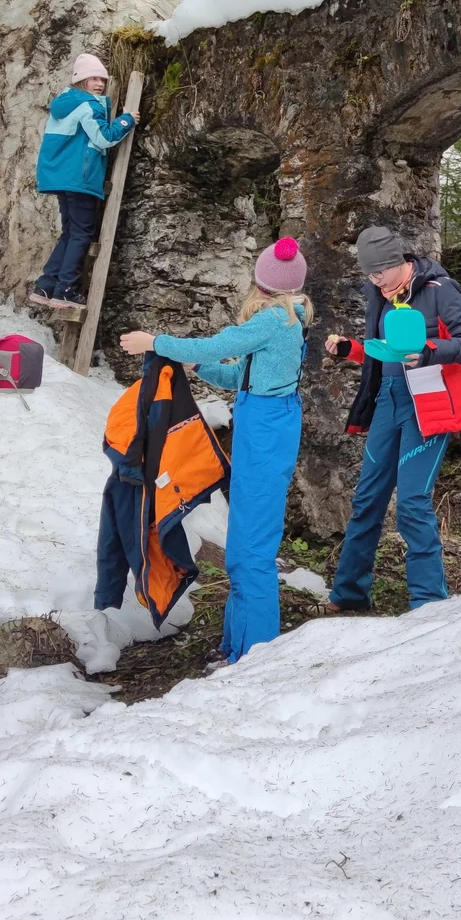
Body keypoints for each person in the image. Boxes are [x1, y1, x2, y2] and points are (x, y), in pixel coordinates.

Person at [119, 238, 312, 665]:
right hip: (261, 427)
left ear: (261, 285)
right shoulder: (284, 320)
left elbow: (214, 345)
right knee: (244, 550)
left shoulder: (272, 322)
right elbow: (237, 378)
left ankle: (256, 657)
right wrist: (197, 368)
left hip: (265, 434)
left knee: (251, 555)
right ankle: (237, 649)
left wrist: (157, 342)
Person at [323, 225, 461, 611]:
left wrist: (429, 351)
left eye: (379, 272)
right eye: (369, 274)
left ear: (398, 262)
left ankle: (428, 604)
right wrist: (351, 349)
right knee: (367, 499)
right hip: (387, 402)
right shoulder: (378, 295)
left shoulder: (439, 289)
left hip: (429, 404)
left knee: (411, 501)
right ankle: (350, 595)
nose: (374, 279)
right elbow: (385, 354)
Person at [32, 53, 136, 308]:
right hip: (80, 177)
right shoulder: (89, 105)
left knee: (70, 232)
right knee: (81, 234)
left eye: (102, 79)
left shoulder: (64, 103)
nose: (99, 84)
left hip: (60, 176)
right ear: (82, 80)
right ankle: (65, 290)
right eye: (93, 79)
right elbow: (104, 139)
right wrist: (126, 119)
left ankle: (45, 286)